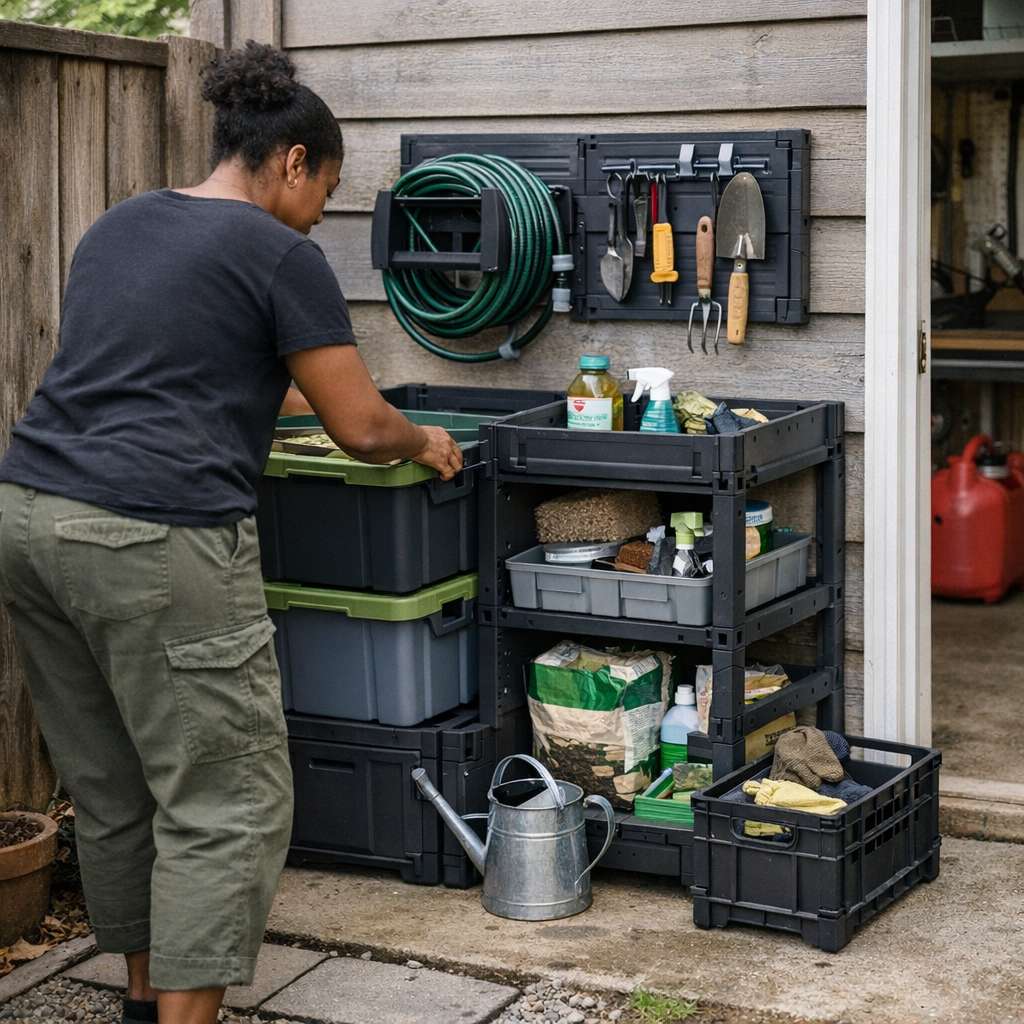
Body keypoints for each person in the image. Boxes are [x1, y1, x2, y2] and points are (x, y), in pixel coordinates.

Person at [0, 41, 462, 1024]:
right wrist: (420, 438)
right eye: (325, 192)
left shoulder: (123, 224)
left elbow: (167, 367)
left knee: (115, 785)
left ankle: (140, 1003)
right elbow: (361, 426)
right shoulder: (278, 252)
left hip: (28, 516)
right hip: (152, 537)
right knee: (230, 802)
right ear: (292, 161)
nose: (320, 216)